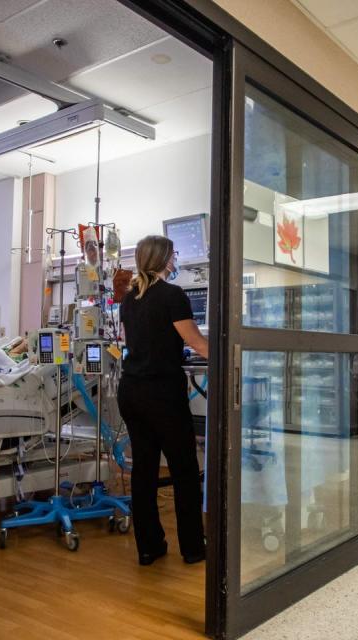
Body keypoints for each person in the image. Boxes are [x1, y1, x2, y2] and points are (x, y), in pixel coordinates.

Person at [118, 235, 209, 566]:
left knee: (144, 470)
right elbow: (197, 343)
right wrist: (234, 355)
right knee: (184, 469)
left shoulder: (129, 299)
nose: (176, 258)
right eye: (174, 254)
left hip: (131, 392)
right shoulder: (173, 295)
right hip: (162, 395)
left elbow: (136, 342)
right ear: (166, 259)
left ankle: (149, 547)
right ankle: (193, 549)